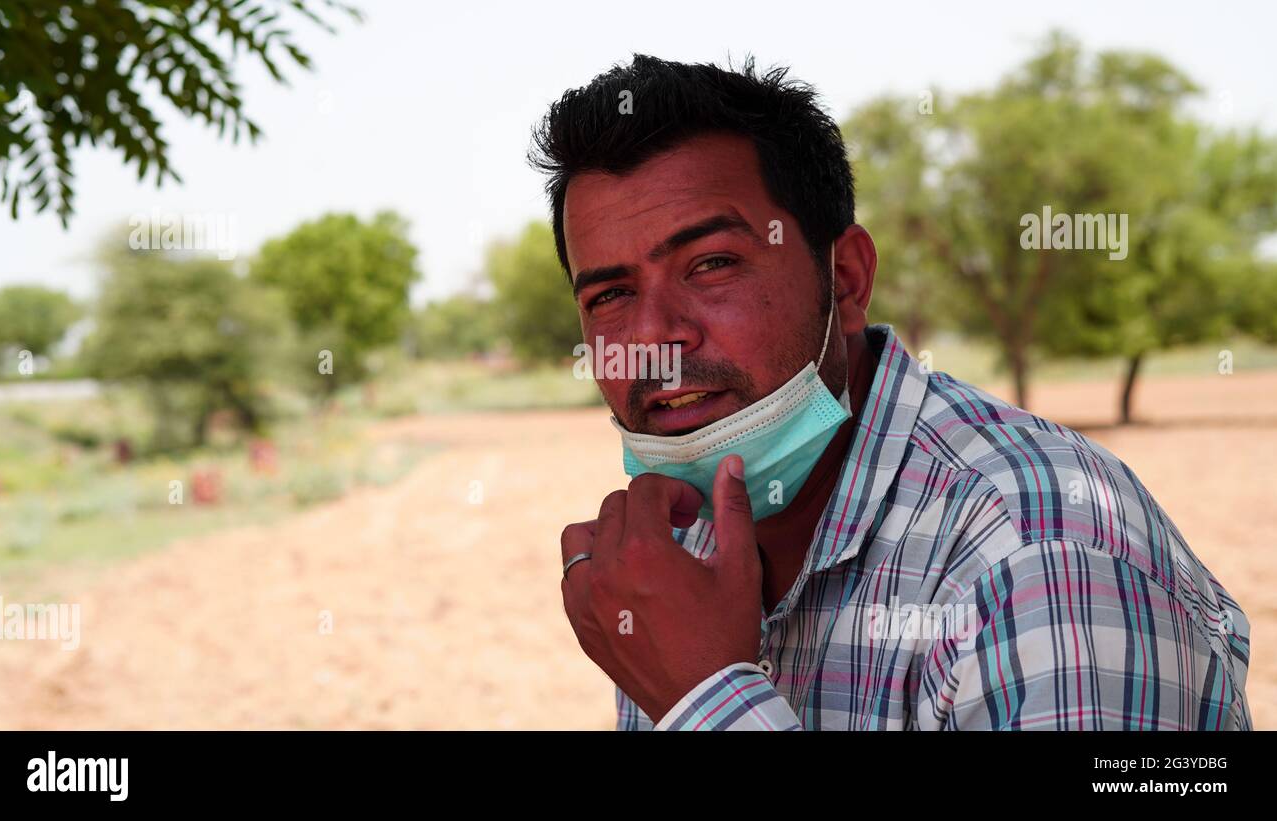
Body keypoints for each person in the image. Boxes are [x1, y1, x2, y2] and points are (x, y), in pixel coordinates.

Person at [532, 55, 1251, 730]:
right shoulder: (672, 553)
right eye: (611, 294)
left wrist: (708, 699)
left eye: (712, 264)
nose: (656, 337)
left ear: (845, 280)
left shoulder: (1039, 551)